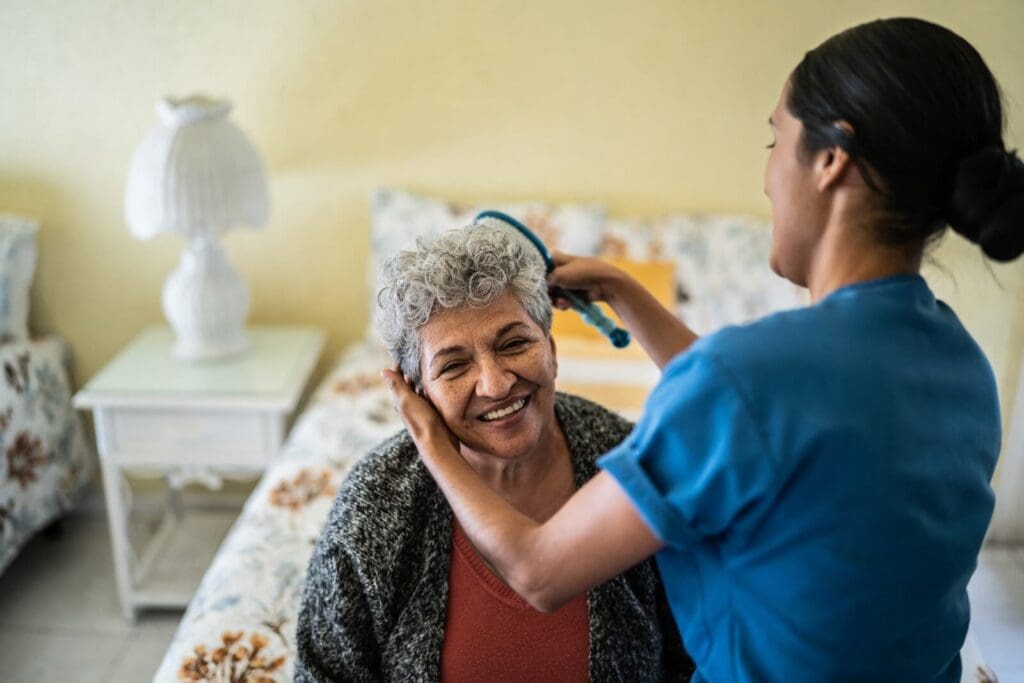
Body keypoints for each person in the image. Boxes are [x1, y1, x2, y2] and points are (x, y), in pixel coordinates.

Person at [382, 17, 1024, 683]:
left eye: (777, 139)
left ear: (832, 159)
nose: (770, 176)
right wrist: (627, 290)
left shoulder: (746, 380)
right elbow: (768, 418)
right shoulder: (963, 367)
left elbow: (538, 570)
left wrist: (430, 437)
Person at [295, 226, 694, 681]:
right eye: (454, 365)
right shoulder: (377, 501)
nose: (496, 384)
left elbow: (690, 659)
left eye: (514, 344)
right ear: (417, 393)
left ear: (552, 350)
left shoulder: (625, 458)